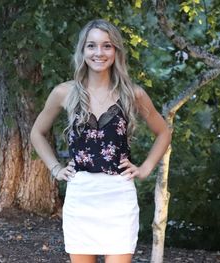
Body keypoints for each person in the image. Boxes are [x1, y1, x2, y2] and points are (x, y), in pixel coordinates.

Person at [30, 19, 171, 263]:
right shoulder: (65, 92)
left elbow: (164, 132)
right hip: (80, 194)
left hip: (118, 195)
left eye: (107, 46)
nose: (99, 53)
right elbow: (36, 133)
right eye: (91, 46)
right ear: (82, 51)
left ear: (116, 51)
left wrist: (145, 168)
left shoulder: (132, 93)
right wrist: (55, 169)